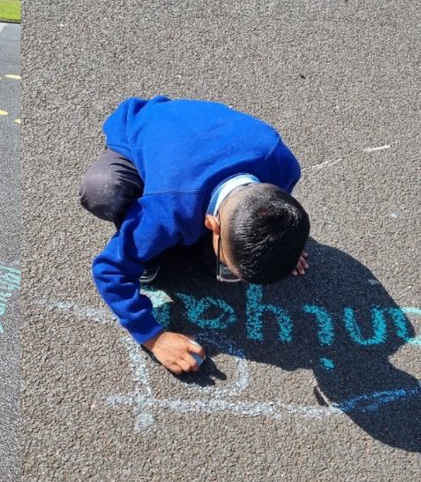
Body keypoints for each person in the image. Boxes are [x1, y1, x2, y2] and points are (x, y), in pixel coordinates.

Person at [80, 96, 310, 375]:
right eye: (229, 265)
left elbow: (276, 209)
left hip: (209, 140)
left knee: (207, 254)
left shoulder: (280, 161)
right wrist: (154, 338)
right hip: (146, 130)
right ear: (211, 224)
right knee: (102, 190)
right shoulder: (167, 207)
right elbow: (109, 269)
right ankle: (146, 243)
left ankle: (205, 246)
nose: (229, 273)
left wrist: (286, 243)